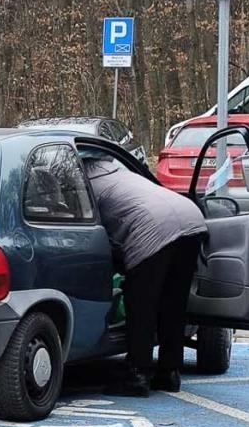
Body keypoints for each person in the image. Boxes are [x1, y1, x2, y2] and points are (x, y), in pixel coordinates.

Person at [83, 154, 208, 394]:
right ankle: (169, 372)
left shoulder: (84, 185)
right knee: (173, 303)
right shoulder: (118, 170)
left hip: (153, 228)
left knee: (141, 303)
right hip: (191, 218)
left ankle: (137, 375)